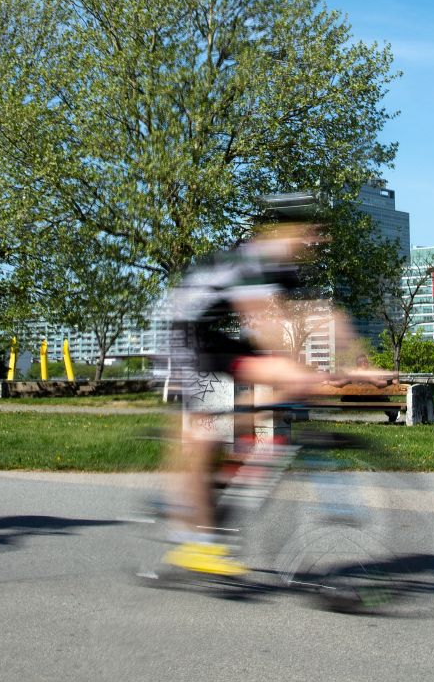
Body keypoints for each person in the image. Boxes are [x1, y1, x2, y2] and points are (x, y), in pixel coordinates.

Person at [160, 192, 382, 578]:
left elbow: (329, 316)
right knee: (208, 432)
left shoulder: (287, 267)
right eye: (313, 231)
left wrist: (360, 362)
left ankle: (242, 446)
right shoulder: (252, 261)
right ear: (285, 228)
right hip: (191, 334)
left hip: (224, 337)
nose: (320, 240)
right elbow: (265, 327)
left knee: (289, 386)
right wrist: (308, 371)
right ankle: (196, 542)